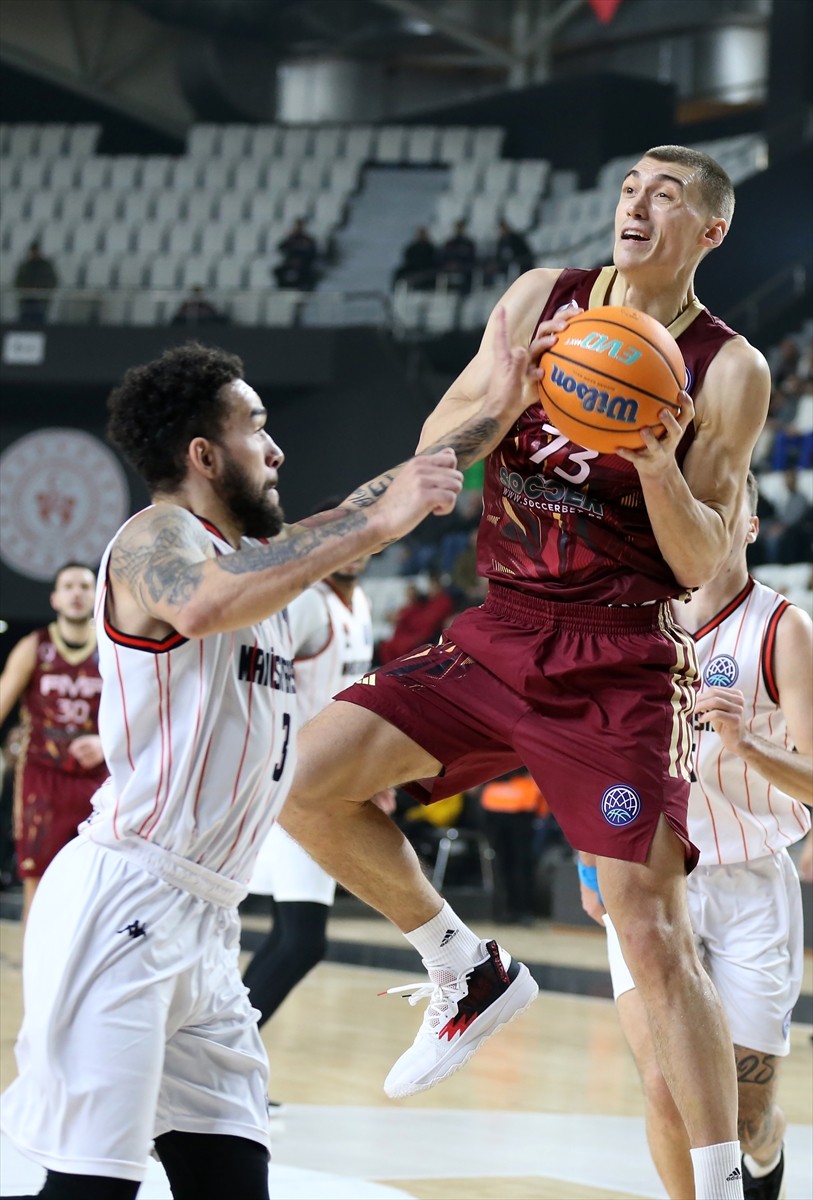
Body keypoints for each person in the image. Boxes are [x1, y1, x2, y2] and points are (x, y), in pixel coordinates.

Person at [278, 144, 772, 1200]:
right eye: (629, 186)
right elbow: (439, 448)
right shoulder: (544, 297)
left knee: (651, 933)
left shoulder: (729, 369)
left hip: (619, 654)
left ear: (709, 231)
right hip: (501, 627)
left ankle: (721, 1184)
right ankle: (465, 969)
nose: (635, 204)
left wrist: (655, 462)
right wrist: (507, 395)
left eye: (665, 195)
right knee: (302, 779)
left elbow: (700, 564)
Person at [0, 341, 466, 1200]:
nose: (277, 450)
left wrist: (508, 401)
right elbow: (204, 600)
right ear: (203, 456)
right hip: (126, 903)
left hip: (208, 922)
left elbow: (372, 500)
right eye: (257, 427)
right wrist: (373, 525)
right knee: (91, 1189)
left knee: (231, 1182)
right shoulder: (154, 538)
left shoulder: (259, 558)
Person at [578, 472, 812, 1200]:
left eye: (724, 509)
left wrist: (748, 745)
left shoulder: (784, 629)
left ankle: (766, 1154)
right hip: (649, 877)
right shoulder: (630, 619)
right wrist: (589, 862)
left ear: (750, 525)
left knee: (743, 1117)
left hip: (749, 881)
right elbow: (591, 752)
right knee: (665, 1085)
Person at [243, 516, 394, 1033]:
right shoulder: (308, 603)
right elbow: (259, 684)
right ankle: (218, 1055)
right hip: (291, 780)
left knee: (291, 937)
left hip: (324, 778)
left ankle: (222, 1056)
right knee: (301, 939)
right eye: (340, 539)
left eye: (360, 539)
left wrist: (370, 771)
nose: (353, 550)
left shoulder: (361, 604)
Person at [0, 562, 107, 929]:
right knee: (39, 881)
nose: (77, 593)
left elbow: (139, 712)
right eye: (69, 586)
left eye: (85, 586)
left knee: (96, 884)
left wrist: (106, 742)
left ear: (96, 596)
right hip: (43, 778)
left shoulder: (112, 648)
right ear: (55, 598)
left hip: (98, 780)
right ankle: (33, 963)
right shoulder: (35, 646)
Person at [478, 769, 546, 925]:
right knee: (519, 863)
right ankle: (520, 911)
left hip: (499, 805)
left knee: (503, 863)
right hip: (520, 806)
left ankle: (506, 910)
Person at [14, 240, 58, 323]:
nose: (34, 253)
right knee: (25, 320)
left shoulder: (46, 266)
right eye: (32, 251)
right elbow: (18, 281)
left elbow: (52, 281)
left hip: (41, 299)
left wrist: (40, 289)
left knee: (40, 320)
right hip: (27, 299)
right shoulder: (25, 266)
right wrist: (27, 289)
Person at [273, 218, 318, 290]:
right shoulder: (291, 238)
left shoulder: (307, 239)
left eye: (300, 226)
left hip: (303, 263)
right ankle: (283, 287)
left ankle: (304, 288)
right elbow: (281, 247)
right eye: (297, 226)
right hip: (290, 262)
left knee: (308, 274)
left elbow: (313, 253)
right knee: (278, 271)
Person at [485, 220, 534, 284]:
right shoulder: (501, 241)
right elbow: (498, 255)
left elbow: (522, 252)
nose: (501, 232)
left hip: (522, 263)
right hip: (508, 264)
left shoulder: (515, 238)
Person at [392, 226, 438, 291]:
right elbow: (407, 258)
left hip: (427, 268)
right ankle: (395, 290)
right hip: (413, 267)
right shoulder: (412, 247)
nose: (421, 236)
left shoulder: (430, 247)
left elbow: (434, 258)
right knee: (398, 272)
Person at [438, 219, 477, 294]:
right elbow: (444, 256)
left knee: (468, 273)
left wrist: (460, 264)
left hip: (464, 267)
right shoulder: (450, 243)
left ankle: (465, 292)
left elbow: (472, 258)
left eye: (461, 227)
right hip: (451, 267)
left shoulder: (468, 243)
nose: (459, 229)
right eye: (458, 227)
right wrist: (450, 264)